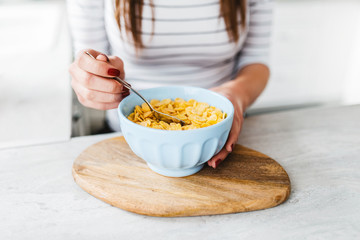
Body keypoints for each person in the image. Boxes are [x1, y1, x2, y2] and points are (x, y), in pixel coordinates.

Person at [67, 0, 273, 169]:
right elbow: (89, 54)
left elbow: (256, 62)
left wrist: (235, 94)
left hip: (221, 137)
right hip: (125, 139)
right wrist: (94, 73)